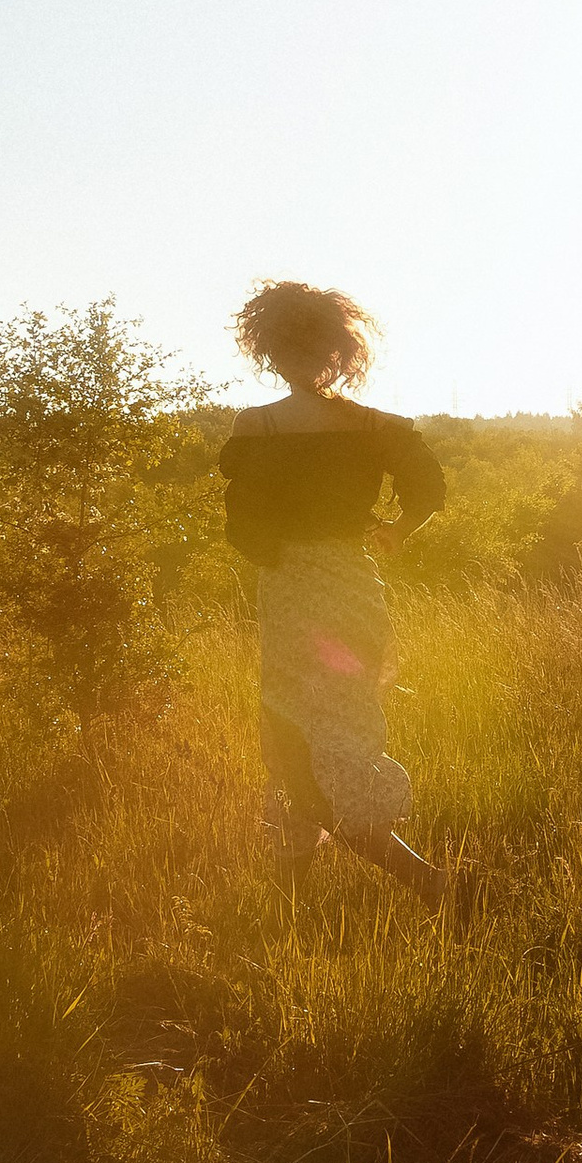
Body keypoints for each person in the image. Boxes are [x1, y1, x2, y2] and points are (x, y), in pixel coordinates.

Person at [219, 280, 447, 887]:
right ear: (335, 353)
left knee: (292, 725)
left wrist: (284, 548)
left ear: (271, 354)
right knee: (346, 719)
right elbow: (429, 490)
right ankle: (330, 871)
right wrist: (397, 531)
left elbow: (243, 528)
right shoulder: (379, 426)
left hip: (290, 589)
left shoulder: (257, 428)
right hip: (353, 583)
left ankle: (416, 876)